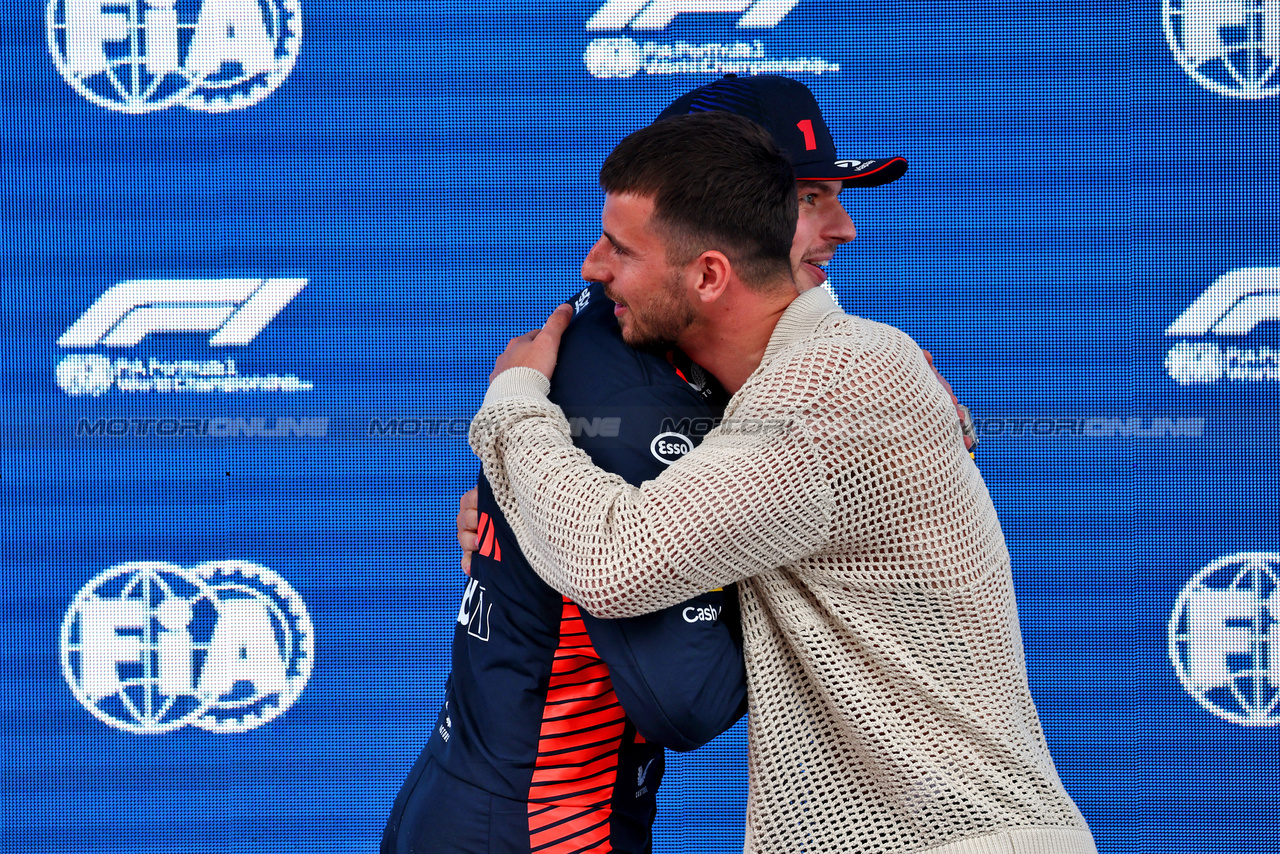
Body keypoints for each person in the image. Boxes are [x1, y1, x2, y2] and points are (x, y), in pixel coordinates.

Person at [469, 110, 1097, 854]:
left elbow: (615, 563)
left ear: (708, 274)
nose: (592, 269)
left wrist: (513, 404)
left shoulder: (830, 385)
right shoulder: (824, 377)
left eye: (619, 248)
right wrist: (521, 506)